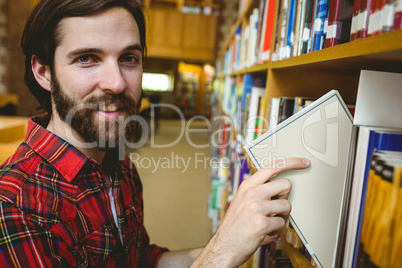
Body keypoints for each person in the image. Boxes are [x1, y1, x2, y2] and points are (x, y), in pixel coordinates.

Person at [0, 0, 311, 267]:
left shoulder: (120, 166)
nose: (117, 83)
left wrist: (231, 237)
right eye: (87, 59)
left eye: (129, 59)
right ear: (43, 72)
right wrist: (220, 255)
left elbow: (140, 260)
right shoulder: (13, 207)